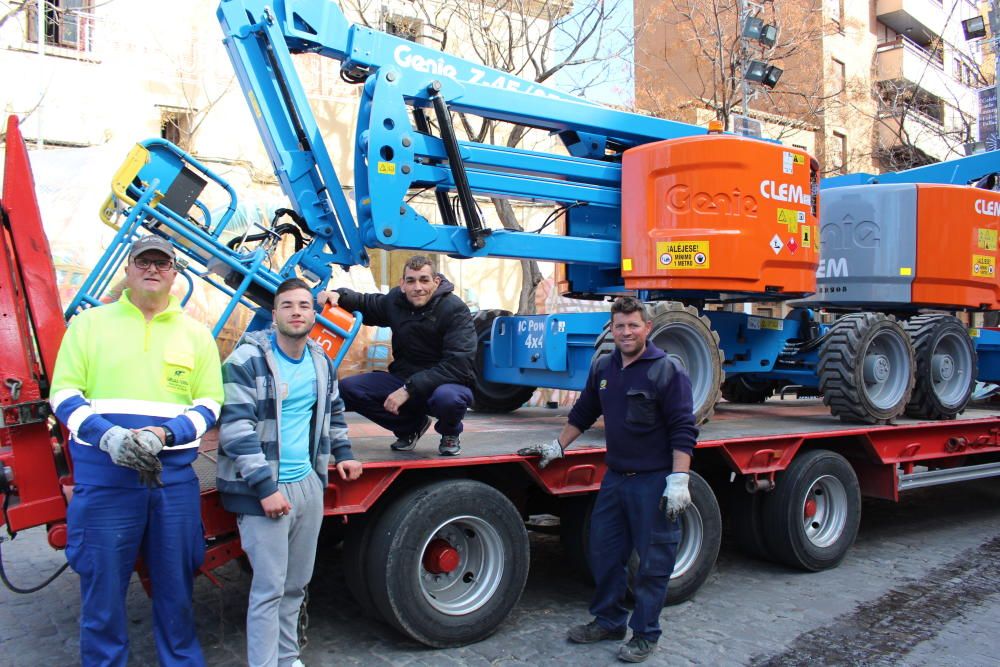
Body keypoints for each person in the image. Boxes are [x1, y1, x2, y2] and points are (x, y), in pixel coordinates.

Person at [50, 235, 224, 666]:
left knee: (177, 586)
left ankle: (181, 660)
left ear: (174, 273)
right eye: (143, 261)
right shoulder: (90, 325)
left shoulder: (196, 336)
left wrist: (165, 435)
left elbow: (209, 404)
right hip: (106, 481)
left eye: (162, 263)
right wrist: (107, 435)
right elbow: (64, 393)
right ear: (128, 270)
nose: (152, 269)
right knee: (102, 589)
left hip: (172, 482)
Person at [518, 296, 698, 663]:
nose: (627, 332)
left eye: (633, 325)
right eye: (620, 326)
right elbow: (585, 410)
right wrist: (558, 445)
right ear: (611, 330)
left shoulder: (667, 371)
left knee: (652, 563)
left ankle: (645, 634)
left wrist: (679, 478)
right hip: (615, 479)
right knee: (603, 553)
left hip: (654, 482)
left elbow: (683, 428)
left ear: (647, 328)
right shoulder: (604, 367)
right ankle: (609, 620)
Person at [217, 278, 363, 667]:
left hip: (307, 485)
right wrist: (265, 487)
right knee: (269, 588)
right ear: (275, 313)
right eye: (288, 306)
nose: (297, 312)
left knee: (296, 585)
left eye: (304, 305)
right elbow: (235, 430)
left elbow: (333, 412)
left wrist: (343, 454)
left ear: (313, 314)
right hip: (264, 489)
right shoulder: (245, 361)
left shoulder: (320, 362)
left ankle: (288, 656)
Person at [321, 255, 476, 456]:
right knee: (349, 389)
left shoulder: (455, 309)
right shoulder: (396, 301)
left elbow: (458, 364)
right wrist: (338, 296)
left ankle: (450, 433)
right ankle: (411, 426)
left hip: (447, 382)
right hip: (405, 377)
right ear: (402, 284)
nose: (417, 287)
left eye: (424, 280)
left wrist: (408, 389)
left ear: (436, 282)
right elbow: (368, 304)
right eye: (411, 281)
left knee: (448, 399)